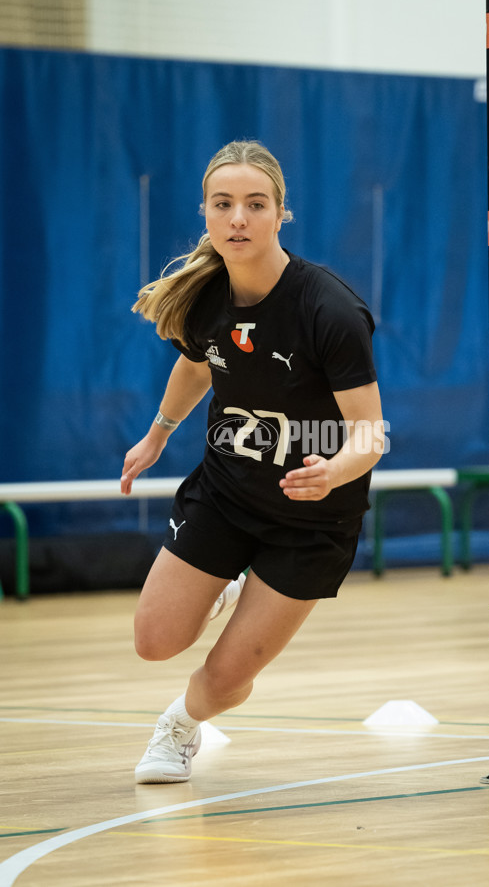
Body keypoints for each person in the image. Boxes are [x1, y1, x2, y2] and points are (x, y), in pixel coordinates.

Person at [121, 140, 385, 784]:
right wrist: (157, 435)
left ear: (279, 214)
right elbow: (196, 362)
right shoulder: (208, 296)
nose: (238, 217)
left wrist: (334, 471)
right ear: (207, 215)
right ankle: (231, 581)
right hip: (228, 494)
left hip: (310, 521)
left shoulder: (329, 310)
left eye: (255, 204)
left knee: (226, 678)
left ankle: (180, 726)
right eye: (224, 204)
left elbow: (369, 434)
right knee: (154, 640)